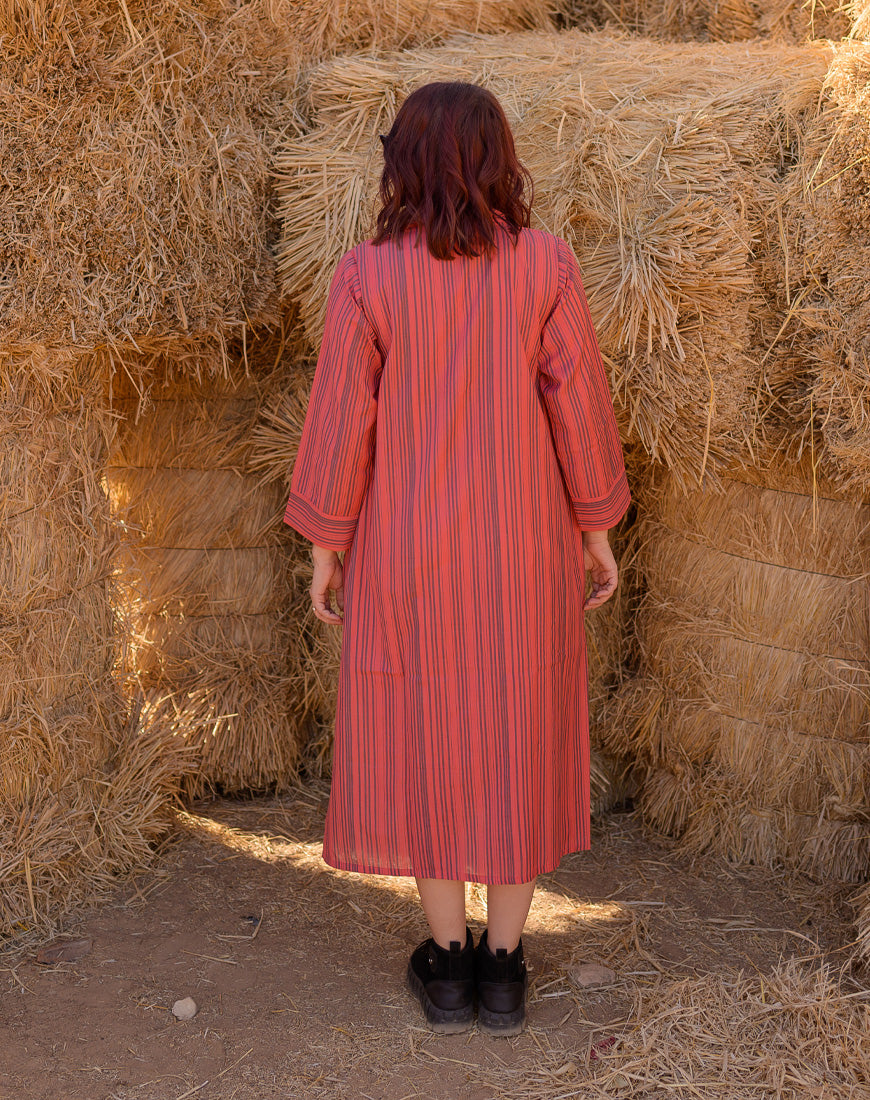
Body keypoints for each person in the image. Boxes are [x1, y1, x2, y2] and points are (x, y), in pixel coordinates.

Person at [282, 81, 630, 1037]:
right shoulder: (547, 265)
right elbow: (579, 412)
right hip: (521, 548)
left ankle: (444, 969)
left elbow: (341, 423)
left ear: (405, 166)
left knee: (428, 737)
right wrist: (595, 530)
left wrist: (326, 545)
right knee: (515, 734)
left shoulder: (367, 275)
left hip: (408, 551)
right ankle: (506, 970)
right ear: (499, 160)